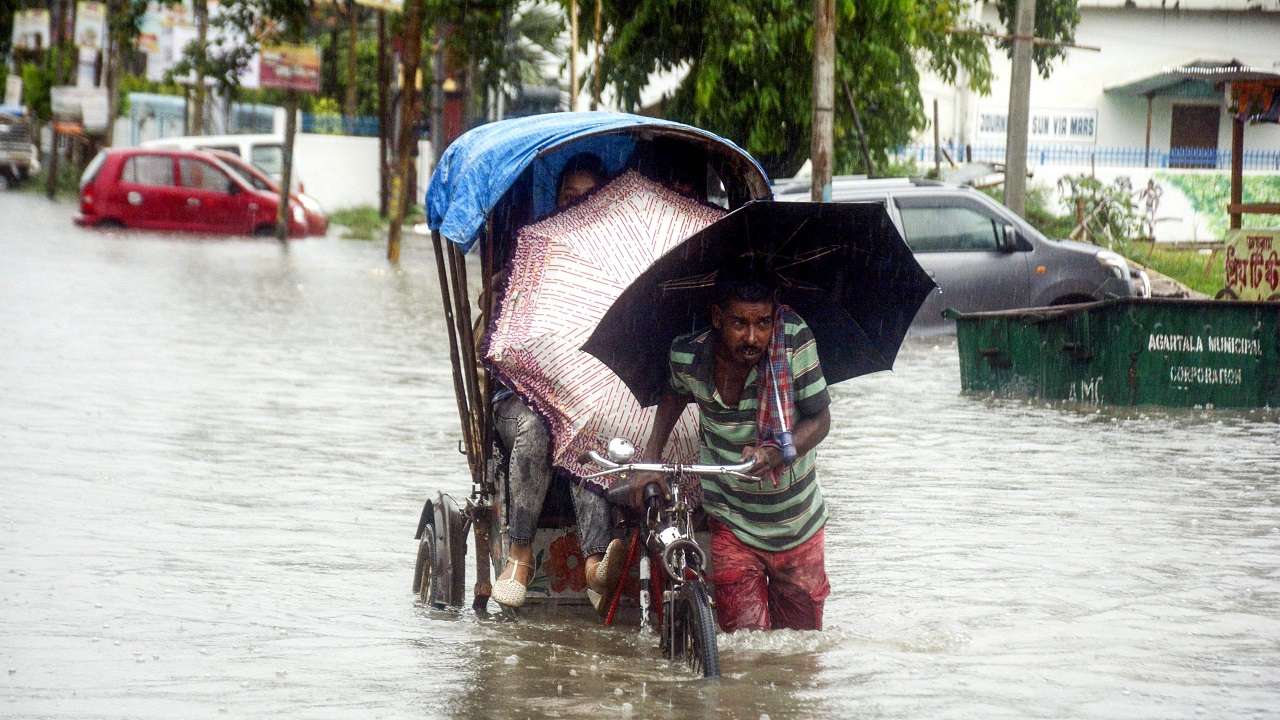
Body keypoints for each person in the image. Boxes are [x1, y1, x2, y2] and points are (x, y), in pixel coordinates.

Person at [638, 262, 833, 631]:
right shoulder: (687, 356)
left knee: (799, 652)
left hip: (798, 524)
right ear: (717, 317)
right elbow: (673, 397)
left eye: (763, 323)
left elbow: (820, 420)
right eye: (739, 323)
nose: (752, 338)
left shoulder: (793, 339)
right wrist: (652, 462)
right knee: (745, 647)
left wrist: (777, 452)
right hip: (731, 520)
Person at [490, 153, 623, 610]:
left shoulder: (615, 268)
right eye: (570, 197)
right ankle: (520, 555)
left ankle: (594, 565)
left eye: (588, 199)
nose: (577, 206)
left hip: (582, 400)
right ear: (557, 200)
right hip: (519, 400)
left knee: (587, 427)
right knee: (542, 424)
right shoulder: (534, 252)